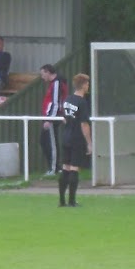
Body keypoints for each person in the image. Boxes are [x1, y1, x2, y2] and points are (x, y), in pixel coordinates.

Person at [57, 73, 92, 207]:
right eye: (87, 84)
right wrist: (89, 143)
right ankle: (72, 201)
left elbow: (64, 118)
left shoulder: (68, 99)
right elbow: (84, 124)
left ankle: (62, 201)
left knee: (65, 167)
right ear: (83, 85)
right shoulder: (82, 102)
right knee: (74, 168)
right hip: (77, 138)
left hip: (66, 136)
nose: (88, 86)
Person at [37, 64, 67, 176]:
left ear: (48, 72)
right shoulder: (54, 83)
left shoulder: (57, 83)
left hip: (52, 118)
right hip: (49, 117)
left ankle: (54, 168)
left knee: (51, 143)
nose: (42, 77)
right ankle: (55, 167)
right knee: (44, 141)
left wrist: (49, 119)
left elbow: (55, 103)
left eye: (43, 74)